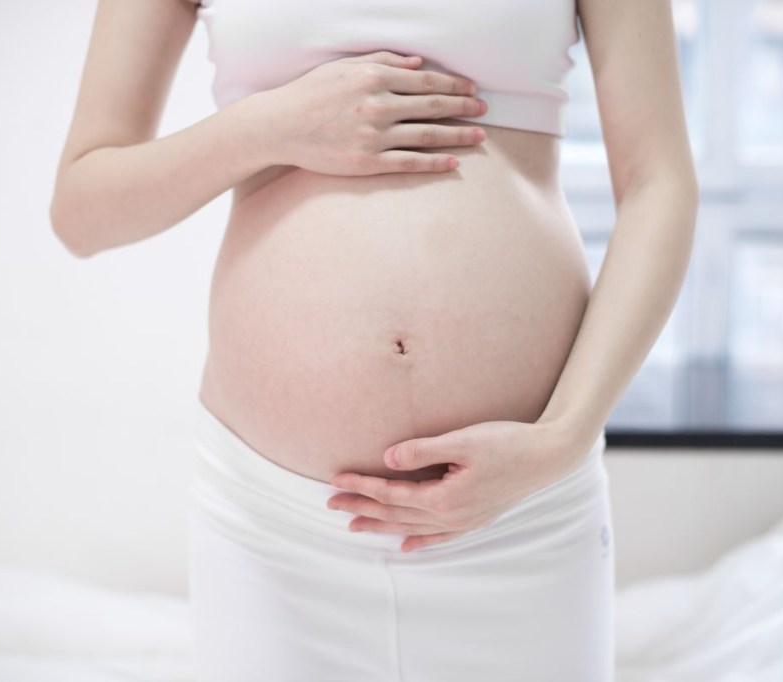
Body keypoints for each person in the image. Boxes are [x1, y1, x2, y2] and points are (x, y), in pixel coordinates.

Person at [50, 0, 698, 679]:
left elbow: (660, 182)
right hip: (272, 523)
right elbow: (83, 212)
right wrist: (267, 128)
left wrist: (560, 439)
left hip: (520, 508)